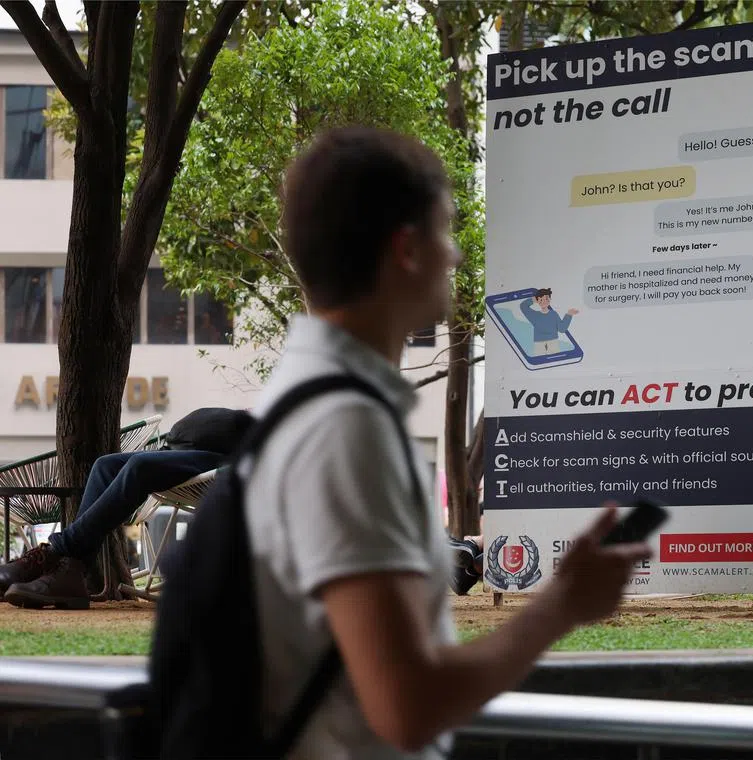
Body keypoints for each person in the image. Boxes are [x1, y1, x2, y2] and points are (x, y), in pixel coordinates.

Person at [244, 126, 650, 758]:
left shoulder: (313, 402)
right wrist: (562, 606)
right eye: (446, 231)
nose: (456, 256)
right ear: (407, 250)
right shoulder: (345, 429)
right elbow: (408, 707)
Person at [0, 408, 245, 609]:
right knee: (105, 465)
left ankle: (55, 552)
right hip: (184, 448)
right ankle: (71, 572)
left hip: (231, 458)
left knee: (140, 466)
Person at [520, 288, 578, 355]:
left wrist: (569, 314)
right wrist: (534, 299)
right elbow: (523, 306)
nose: (544, 301)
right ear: (537, 300)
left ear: (550, 299)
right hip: (539, 344)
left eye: (546, 299)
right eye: (541, 300)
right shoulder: (534, 316)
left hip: (553, 342)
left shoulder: (553, 314)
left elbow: (562, 329)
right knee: (540, 361)